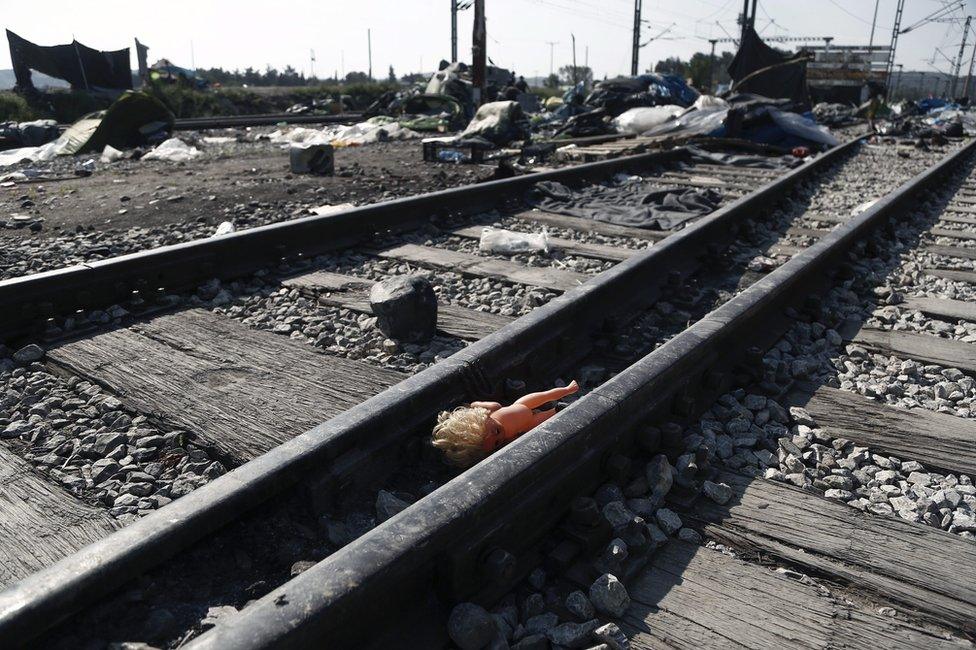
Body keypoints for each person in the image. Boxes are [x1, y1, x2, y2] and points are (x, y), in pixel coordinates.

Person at [432, 380, 580, 466]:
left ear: (482, 418)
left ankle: (567, 390)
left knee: (544, 395)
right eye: (497, 442)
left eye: (496, 432)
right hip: (527, 424)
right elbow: (513, 439)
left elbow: (478, 404)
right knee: (542, 419)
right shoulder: (505, 436)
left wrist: (475, 406)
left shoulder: (492, 410)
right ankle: (557, 409)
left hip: (521, 405)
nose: (499, 436)